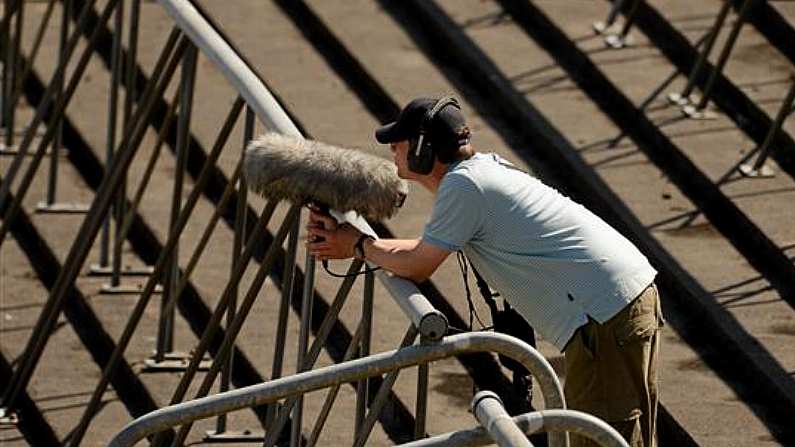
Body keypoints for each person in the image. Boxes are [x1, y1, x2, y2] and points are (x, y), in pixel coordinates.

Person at [306, 96, 664, 447]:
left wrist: (358, 246)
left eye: (398, 142)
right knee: (624, 435)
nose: (392, 150)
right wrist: (356, 242)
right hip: (618, 300)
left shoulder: (465, 186)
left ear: (421, 150)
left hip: (603, 314)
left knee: (602, 438)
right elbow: (422, 249)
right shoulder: (481, 171)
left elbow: (417, 266)